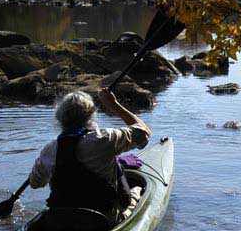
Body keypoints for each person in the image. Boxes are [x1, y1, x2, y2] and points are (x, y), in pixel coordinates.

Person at [29, 88, 151, 223]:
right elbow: (143, 134)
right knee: (138, 188)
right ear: (91, 115)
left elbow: (35, 183)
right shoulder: (105, 138)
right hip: (102, 221)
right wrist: (113, 105)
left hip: (61, 219)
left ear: (59, 118)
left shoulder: (49, 150)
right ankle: (135, 194)